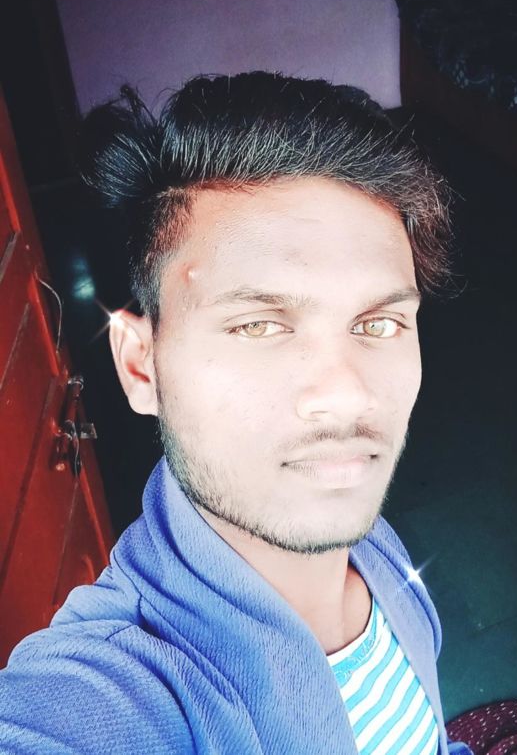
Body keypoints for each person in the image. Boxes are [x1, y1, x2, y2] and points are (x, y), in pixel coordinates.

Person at [0, 72, 471, 755]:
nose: (348, 395)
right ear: (141, 367)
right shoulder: (122, 688)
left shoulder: (377, 551)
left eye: (378, 324)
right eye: (258, 325)